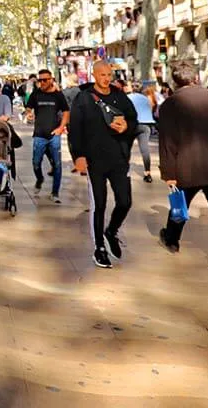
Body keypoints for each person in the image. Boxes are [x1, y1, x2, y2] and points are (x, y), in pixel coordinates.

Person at [156, 61, 208, 279]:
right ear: (197, 77)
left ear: (175, 81)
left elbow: (167, 142)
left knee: (179, 207)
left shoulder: (169, 105)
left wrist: (169, 173)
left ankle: (172, 240)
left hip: (186, 167)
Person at [69, 61, 140, 269]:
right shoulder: (83, 99)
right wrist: (79, 156)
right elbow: (75, 130)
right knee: (99, 204)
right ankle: (99, 247)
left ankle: (112, 230)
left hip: (118, 158)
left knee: (125, 201)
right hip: (94, 160)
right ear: (94, 75)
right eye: (102, 75)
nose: (107, 78)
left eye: (109, 74)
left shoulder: (120, 96)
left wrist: (126, 127)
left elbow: (134, 121)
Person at [24, 68, 68, 203]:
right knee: (36, 163)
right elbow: (28, 107)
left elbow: (66, 111)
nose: (42, 82)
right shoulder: (36, 94)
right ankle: (39, 179)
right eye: (40, 80)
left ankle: (55, 193)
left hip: (54, 135)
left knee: (57, 165)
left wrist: (61, 128)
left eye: (44, 80)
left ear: (51, 80)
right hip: (39, 135)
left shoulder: (58, 95)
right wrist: (29, 113)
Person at [128, 83, 157, 183]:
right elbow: (151, 107)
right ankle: (147, 173)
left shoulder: (128, 97)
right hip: (146, 124)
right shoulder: (145, 98)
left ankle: (126, 171)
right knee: (145, 149)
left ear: (132, 88)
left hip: (132, 125)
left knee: (127, 147)